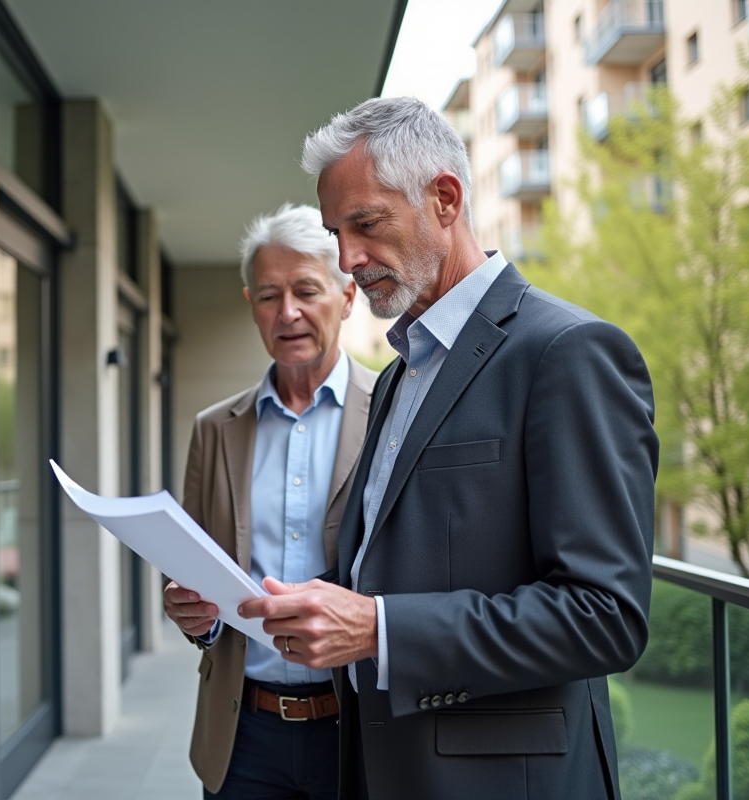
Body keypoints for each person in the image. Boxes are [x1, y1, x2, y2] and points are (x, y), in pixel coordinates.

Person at [237, 97, 659, 800]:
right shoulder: (403, 369)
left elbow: (606, 617)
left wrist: (377, 628)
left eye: (365, 225)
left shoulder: (568, 352)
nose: (348, 259)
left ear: (444, 197)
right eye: (337, 233)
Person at [164, 203, 379, 799]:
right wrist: (193, 617)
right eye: (268, 296)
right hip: (243, 735)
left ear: (347, 296)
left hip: (358, 729)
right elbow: (192, 564)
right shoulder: (214, 428)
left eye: (306, 290)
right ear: (251, 305)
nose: (288, 313)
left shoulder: (393, 412)